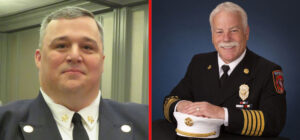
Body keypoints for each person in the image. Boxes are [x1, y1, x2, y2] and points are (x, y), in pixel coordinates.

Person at [0, 7, 148, 140]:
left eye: (87, 47)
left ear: (102, 62)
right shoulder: (4, 124)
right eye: (61, 46)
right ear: (39, 59)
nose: (75, 56)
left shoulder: (146, 121)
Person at [163, 1, 286, 137]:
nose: (226, 38)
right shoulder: (199, 62)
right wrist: (181, 105)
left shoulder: (268, 70)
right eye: (219, 31)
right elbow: (169, 101)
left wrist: (222, 113)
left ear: (246, 33)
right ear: (212, 35)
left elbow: (274, 122)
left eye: (234, 30)